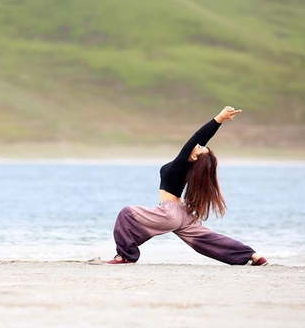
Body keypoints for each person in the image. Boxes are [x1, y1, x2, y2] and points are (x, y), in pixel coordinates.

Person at [107, 106, 268, 266]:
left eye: (198, 148)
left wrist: (219, 117)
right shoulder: (190, 167)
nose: (197, 144)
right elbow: (204, 138)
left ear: (192, 156)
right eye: (199, 145)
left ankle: (126, 256)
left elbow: (197, 136)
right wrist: (221, 122)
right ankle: (253, 255)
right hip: (182, 214)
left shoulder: (181, 165)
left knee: (126, 214)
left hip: (170, 213)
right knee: (208, 239)